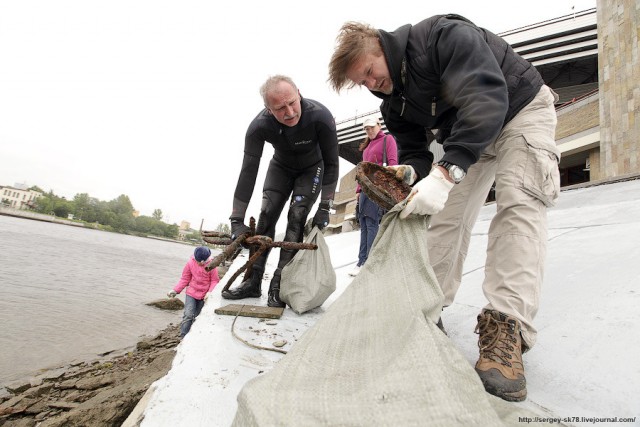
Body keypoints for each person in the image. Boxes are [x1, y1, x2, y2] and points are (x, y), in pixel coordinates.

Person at [328, 15, 560, 402]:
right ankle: (424, 312)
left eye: (369, 71)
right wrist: (412, 170)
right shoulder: (392, 103)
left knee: (519, 205)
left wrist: (447, 171)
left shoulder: (442, 37)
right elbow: (417, 151)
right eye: (362, 82)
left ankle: (507, 330)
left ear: (380, 45)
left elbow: (487, 97)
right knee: (441, 221)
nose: (371, 84)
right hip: (467, 135)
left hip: (519, 109)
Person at [222, 75, 339, 308]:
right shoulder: (259, 126)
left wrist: (326, 205)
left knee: (296, 217)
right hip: (281, 167)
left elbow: (332, 164)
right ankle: (253, 282)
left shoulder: (320, 116)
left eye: (292, 102)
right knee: (266, 215)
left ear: (299, 93)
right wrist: (237, 219)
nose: (290, 112)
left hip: (312, 169)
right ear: (268, 109)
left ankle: (279, 285)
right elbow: (248, 172)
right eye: (280, 108)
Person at [349, 117, 397, 277]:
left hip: (377, 188)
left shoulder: (387, 139)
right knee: (363, 223)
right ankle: (361, 261)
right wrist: (357, 191)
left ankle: (370, 262)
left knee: (371, 223)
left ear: (379, 125)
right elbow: (361, 171)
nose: (369, 130)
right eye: (366, 128)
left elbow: (393, 164)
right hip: (364, 189)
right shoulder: (366, 147)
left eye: (371, 127)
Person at [168, 246, 220, 338]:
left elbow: (214, 281)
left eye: (203, 261)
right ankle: (183, 337)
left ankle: (193, 336)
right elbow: (185, 278)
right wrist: (175, 290)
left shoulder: (212, 265)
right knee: (188, 315)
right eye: (199, 261)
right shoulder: (190, 263)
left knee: (197, 316)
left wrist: (209, 292)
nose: (201, 263)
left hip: (204, 295)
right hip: (191, 293)